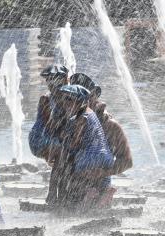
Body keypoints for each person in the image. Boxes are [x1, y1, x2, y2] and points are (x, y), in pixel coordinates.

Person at [70, 73, 133, 207]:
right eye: (75, 98)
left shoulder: (110, 126)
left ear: (94, 96)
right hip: (75, 183)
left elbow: (127, 161)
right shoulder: (72, 122)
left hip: (100, 181)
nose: (79, 102)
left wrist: (102, 172)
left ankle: (103, 194)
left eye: (86, 97)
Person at [50, 84, 114, 211]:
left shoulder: (82, 117)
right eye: (64, 100)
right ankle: (104, 194)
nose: (65, 103)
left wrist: (66, 141)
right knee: (101, 182)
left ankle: (87, 194)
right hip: (105, 157)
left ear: (79, 101)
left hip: (89, 158)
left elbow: (75, 142)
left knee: (74, 176)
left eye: (69, 100)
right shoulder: (91, 113)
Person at [28, 64, 69, 205]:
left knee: (65, 160)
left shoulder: (65, 98)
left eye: (55, 81)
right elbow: (49, 125)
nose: (52, 85)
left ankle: (62, 194)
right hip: (40, 138)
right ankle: (53, 195)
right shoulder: (46, 99)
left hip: (52, 137)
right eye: (50, 82)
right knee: (62, 156)